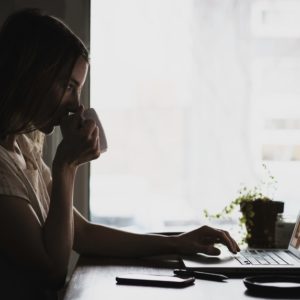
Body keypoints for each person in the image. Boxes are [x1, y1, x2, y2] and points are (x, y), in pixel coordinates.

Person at [0, 8, 240, 299]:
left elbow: (83, 233)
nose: (77, 106)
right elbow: (52, 271)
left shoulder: (23, 149)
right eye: (68, 87)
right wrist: (66, 165)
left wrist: (177, 243)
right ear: (32, 75)